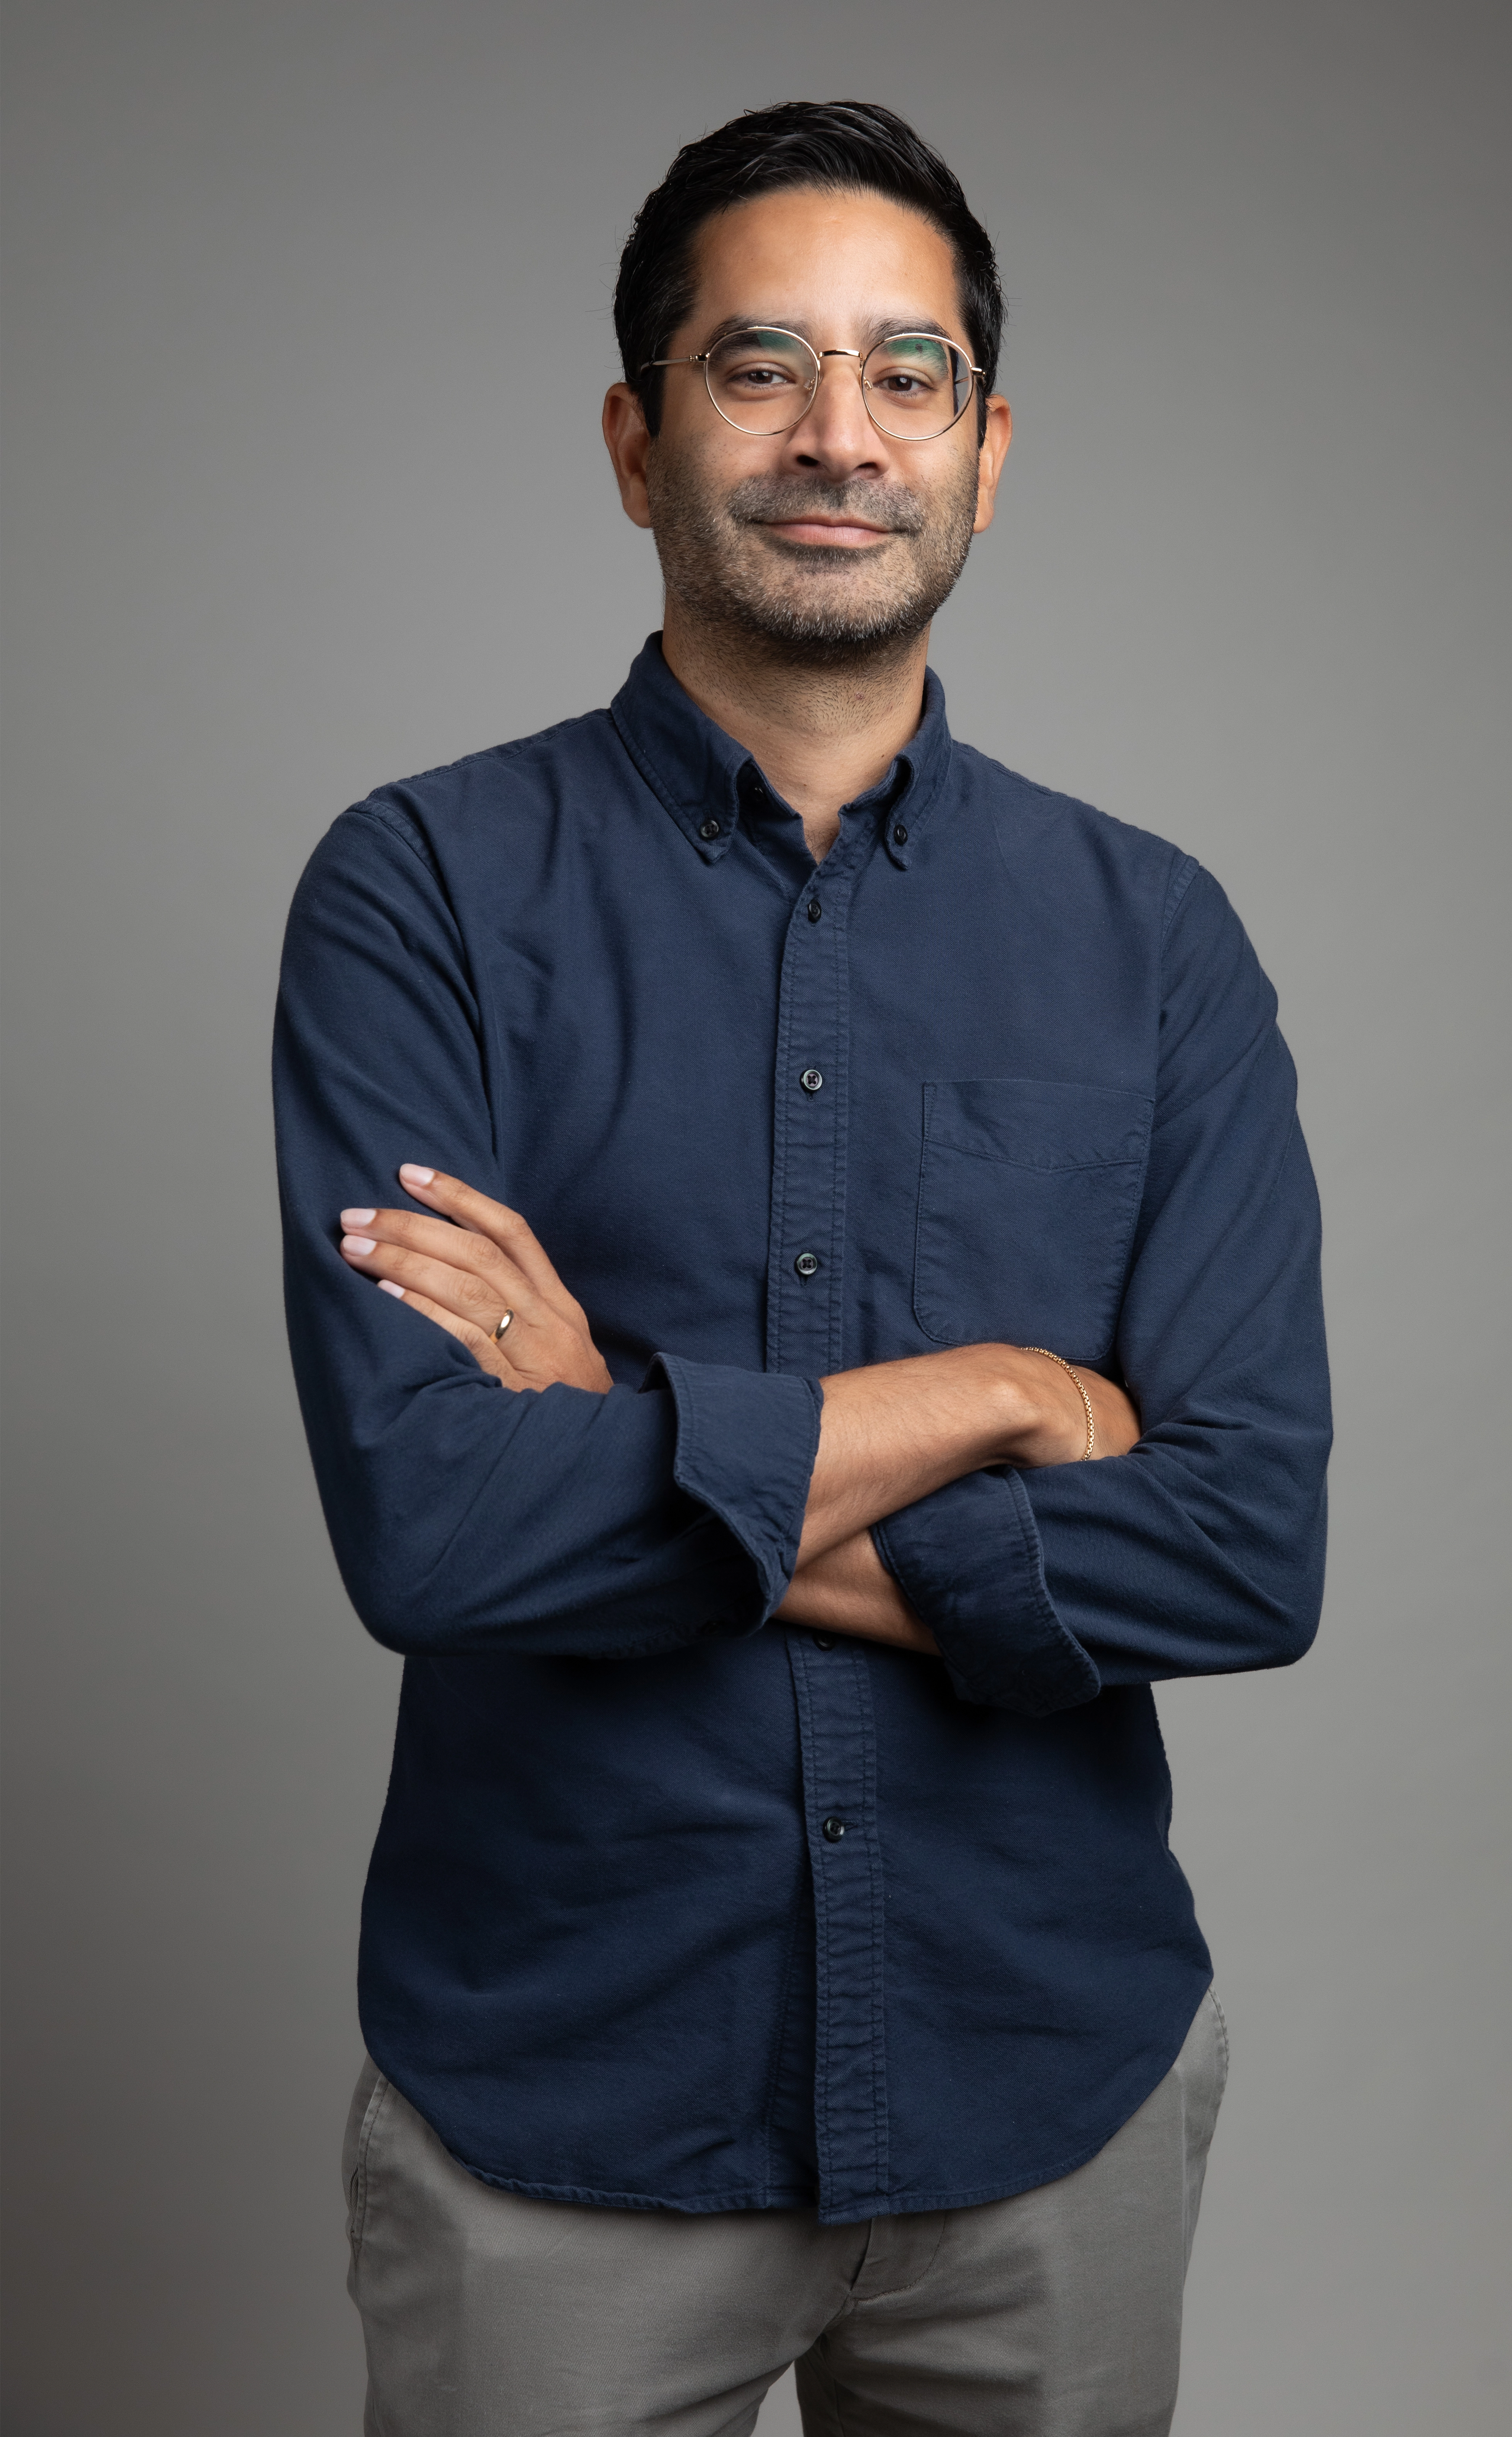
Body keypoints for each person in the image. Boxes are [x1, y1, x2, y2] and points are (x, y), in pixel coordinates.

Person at [274, 98, 1331, 2437]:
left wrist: (630, 1442)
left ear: (988, 447)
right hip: (563, 2115)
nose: (839, 437)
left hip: (1049, 2107)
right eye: (760, 371)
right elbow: (436, 1528)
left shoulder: (1157, 944)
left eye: (908, 375)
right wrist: (985, 1394)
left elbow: (1251, 1549)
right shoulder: (423, 892)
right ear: (639, 442)